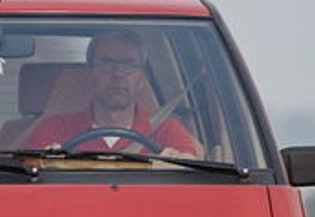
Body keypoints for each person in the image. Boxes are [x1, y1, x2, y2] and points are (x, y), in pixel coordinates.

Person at [22, 27, 203, 156]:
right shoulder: (54, 130)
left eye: (128, 65)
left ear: (141, 77)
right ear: (90, 73)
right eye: (106, 63)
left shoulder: (166, 131)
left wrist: (176, 164)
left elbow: (191, 185)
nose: (117, 74)